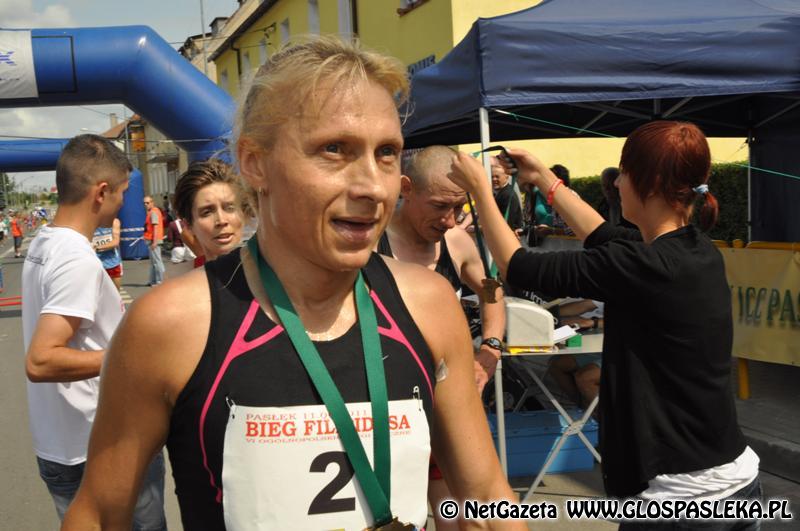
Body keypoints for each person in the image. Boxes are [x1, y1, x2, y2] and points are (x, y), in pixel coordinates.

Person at [63, 38, 522, 531]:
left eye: (387, 152)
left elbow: (485, 497)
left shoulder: (429, 303)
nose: (373, 185)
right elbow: (99, 515)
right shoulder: (171, 324)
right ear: (255, 162)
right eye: (334, 149)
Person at [448, 121, 761, 529]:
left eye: (624, 173)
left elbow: (518, 266)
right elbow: (602, 235)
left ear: (650, 184)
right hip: (733, 480)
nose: (616, 183)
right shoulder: (693, 248)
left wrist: (480, 191)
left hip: (681, 500)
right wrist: (544, 179)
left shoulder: (645, 264)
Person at [22, 134, 166, 528]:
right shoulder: (76, 260)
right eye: (122, 192)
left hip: (60, 445)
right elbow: (41, 360)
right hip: (102, 445)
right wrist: (130, 358)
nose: (123, 202)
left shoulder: (45, 243)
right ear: (101, 192)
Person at [378, 145, 507, 530]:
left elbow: (491, 289)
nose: (450, 220)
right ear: (406, 188)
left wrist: (491, 347)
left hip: (447, 402)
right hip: (387, 406)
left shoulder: (456, 243)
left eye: (459, 207)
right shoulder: (370, 242)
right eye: (438, 206)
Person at [173, 159, 245, 264]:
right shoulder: (179, 274)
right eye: (207, 212)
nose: (221, 220)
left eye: (230, 208)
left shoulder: (268, 268)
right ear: (188, 225)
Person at [491, 157, 523, 232]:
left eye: (497, 176)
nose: (494, 179)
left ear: (506, 177)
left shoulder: (507, 194)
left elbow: (507, 222)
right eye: (492, 177)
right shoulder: (501, 192)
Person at [92, 218, 123, 291]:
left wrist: (97, 248)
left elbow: (116, 242)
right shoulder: (90, 222)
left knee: (115, 292)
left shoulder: (114, 221)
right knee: (97, 292)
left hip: (112, 263)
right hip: (96, 264)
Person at [143, 195, 165, 285]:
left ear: (152, 202)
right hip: (151, 240)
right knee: (153, 262)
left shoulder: (154, 212)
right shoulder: (151, 212)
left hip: (153, 240)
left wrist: (155, 242)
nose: (146, 204)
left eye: (147, 203)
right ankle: (152, 280)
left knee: (157, 262)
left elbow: (155, 227)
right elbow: (150, 227)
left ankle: (160, 281)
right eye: (144, 203)